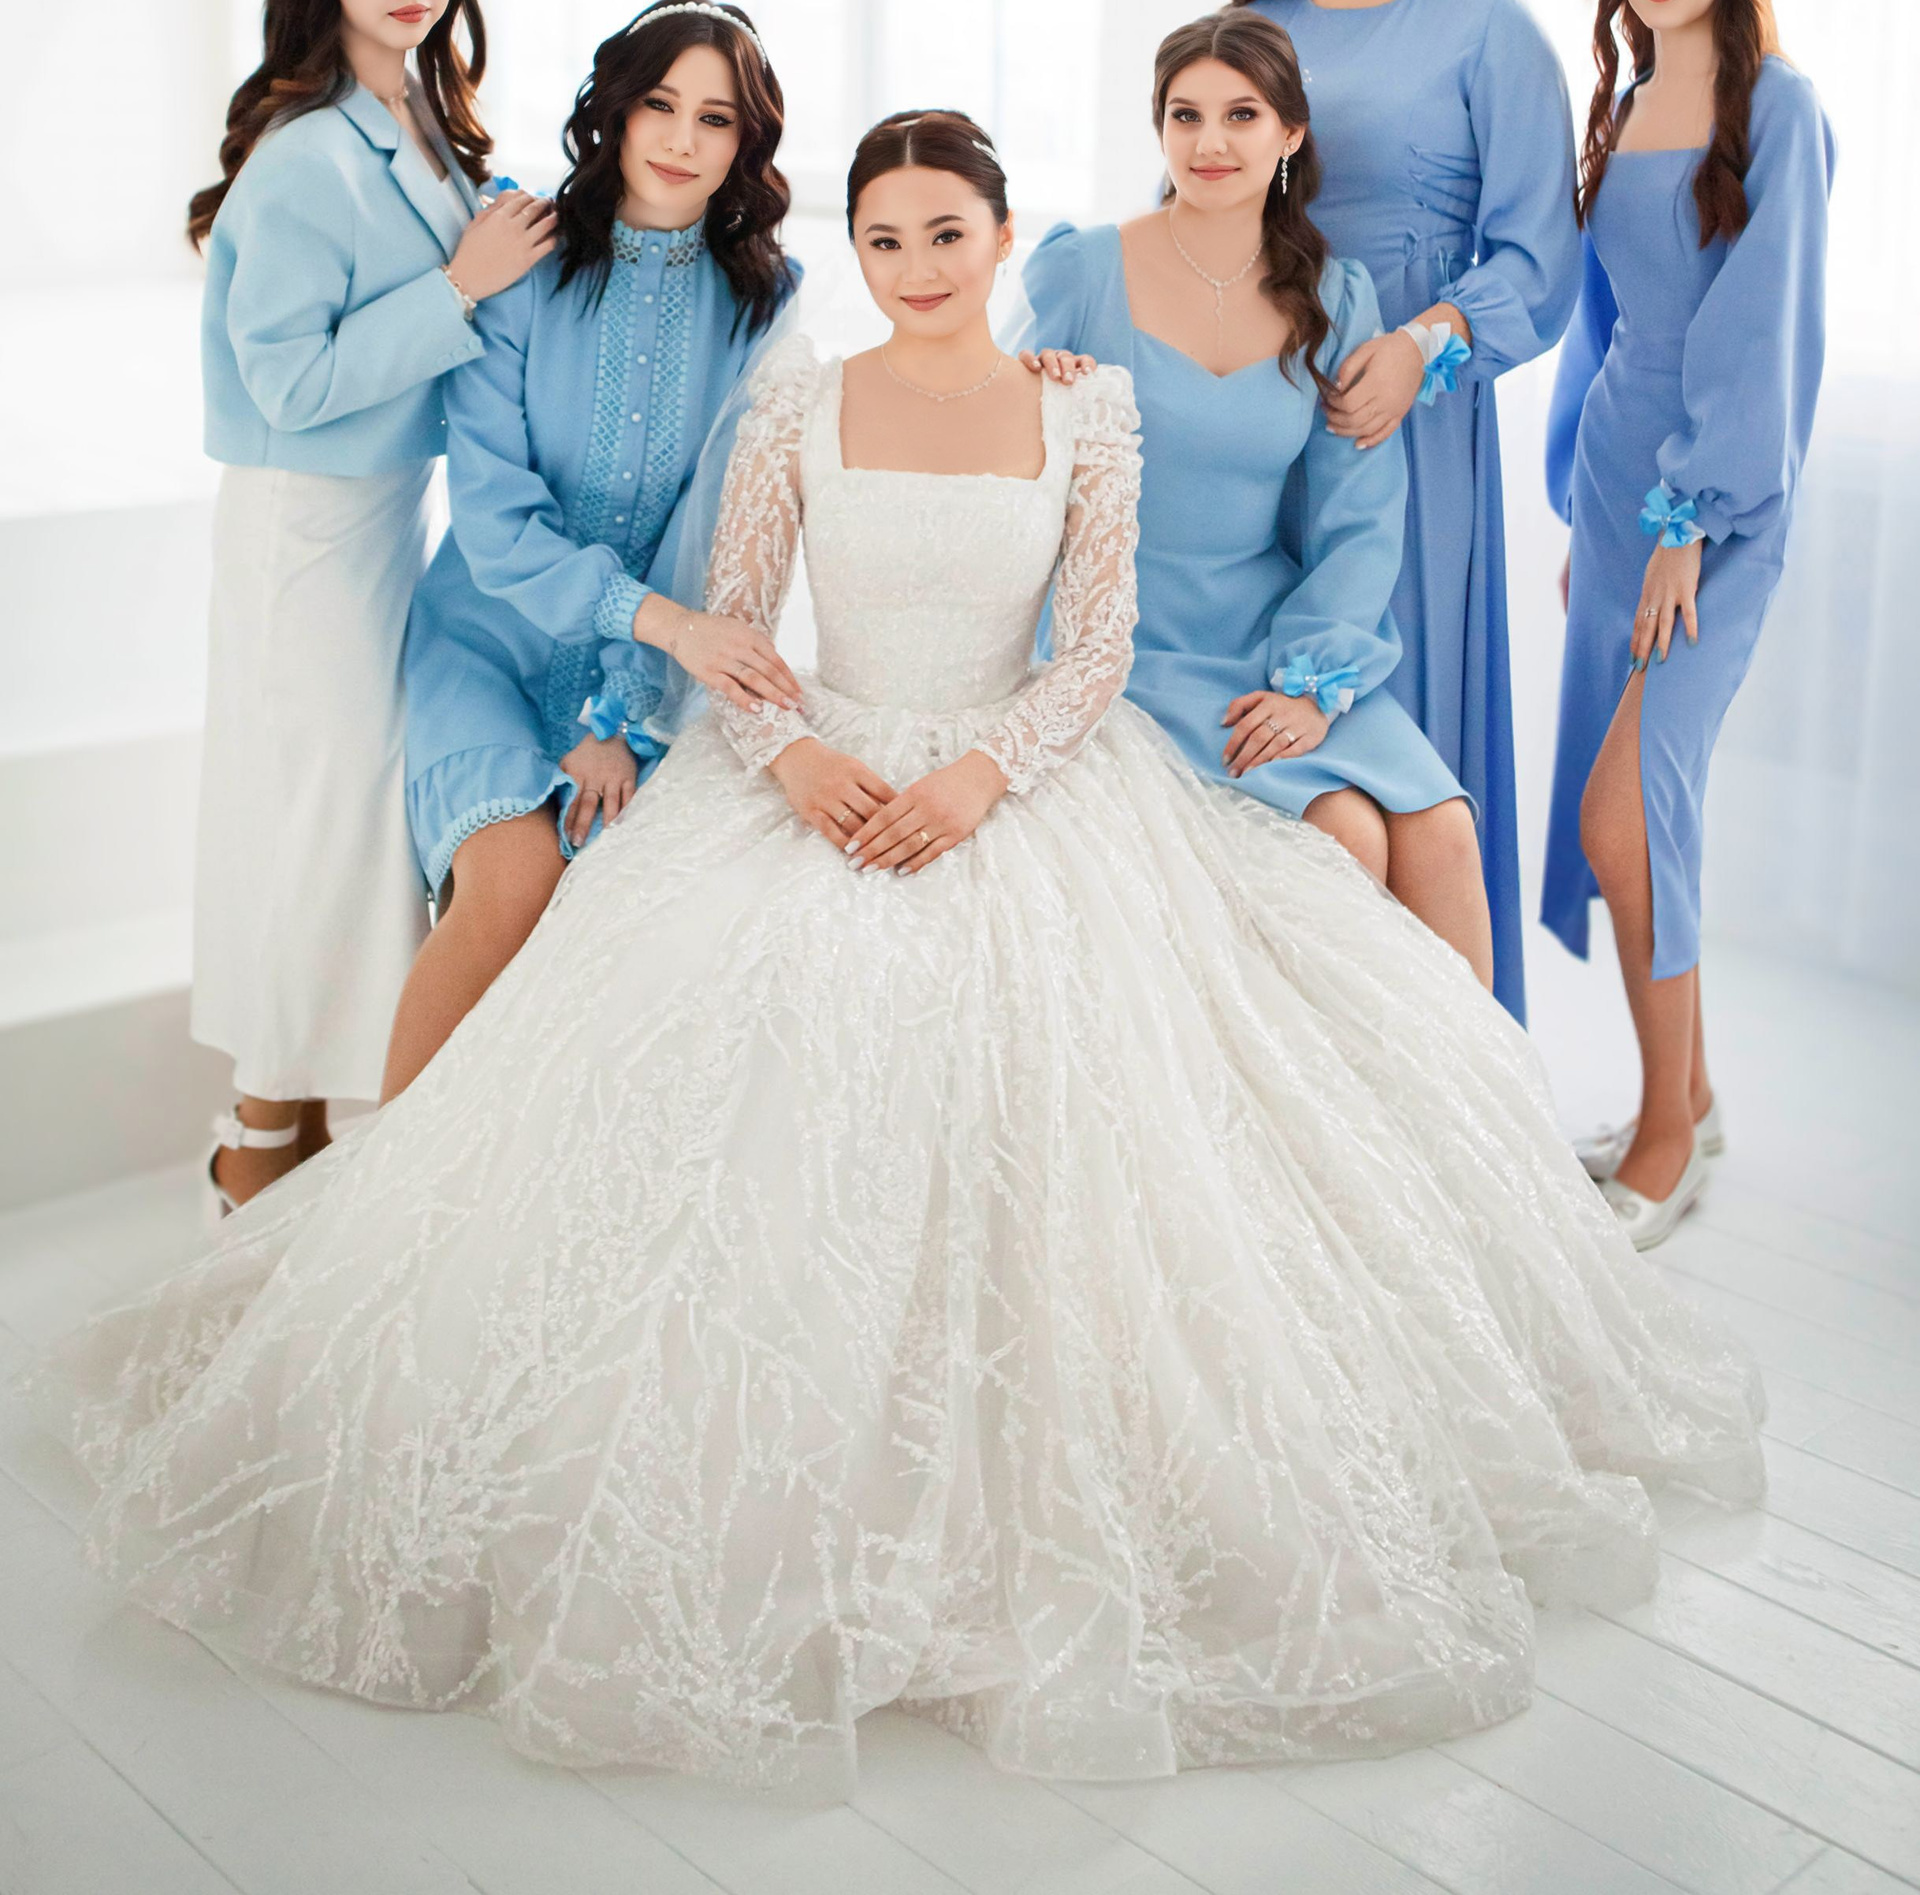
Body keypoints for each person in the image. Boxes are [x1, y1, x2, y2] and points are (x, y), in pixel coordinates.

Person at [45, 109, 1759, 1792]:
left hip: (1018, 770)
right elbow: (740, 626)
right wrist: (797, 759)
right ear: (851, 249)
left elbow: (1096, 649)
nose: (917, 263)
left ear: (1006, 240)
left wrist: (980, 775)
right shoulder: (798, 398)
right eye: (883, 237)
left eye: (948, 232)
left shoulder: (1085, 410)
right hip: (823, 757)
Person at [186, 0, 552, 1216]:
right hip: (308, 527)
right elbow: (287, 382)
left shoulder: (425, 121)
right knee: (315, 822)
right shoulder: (304, 156)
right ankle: (256, 1138)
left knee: (347, 822)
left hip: (392, 513)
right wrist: (458, 286)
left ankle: (293, 1124)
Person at [387, 0, 802, 1098]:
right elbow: (492, 518)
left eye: (714, 119)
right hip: (483, 645)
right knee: (513, 881)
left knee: (637, 919)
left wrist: (619, 716)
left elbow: (708, 531)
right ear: (615, 110)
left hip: (646, 681)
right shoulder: (522, 252)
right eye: (660, 104)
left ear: (745, 144)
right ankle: (373, 1189)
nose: (680, 139)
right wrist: (659, 630)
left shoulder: (762, 302)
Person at [1022, 8, 1491, 982]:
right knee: (1345, 833)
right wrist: (1027, 395)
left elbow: (1360, 517)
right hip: (1124, 637)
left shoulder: (1336, 297)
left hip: (1268, 636)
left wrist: (1311, 684)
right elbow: (990, 449)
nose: (1210, 141)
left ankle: (1482, 1092)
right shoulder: (1083, 271)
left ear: (1290, 133)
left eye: (1241, 115)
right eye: (1185, 115)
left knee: (1444, 829)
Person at [1229, 0, 1580, 1020]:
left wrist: (1424, 345)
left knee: (1400, 713)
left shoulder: (1488, 23)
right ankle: (1293, 1047)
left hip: (1411, 414)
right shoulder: (1264, 23)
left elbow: (1541, 251)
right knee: (1271, 718)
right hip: (1267, 401)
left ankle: (1431, 1060)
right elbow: (1199, 187)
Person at [1543, 0, 1833, 1246]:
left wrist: (1684, 525)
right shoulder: (1628, 95)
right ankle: (1691, 1094)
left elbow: (1756, 332)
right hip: (1618, 492)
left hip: (1712, 507)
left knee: (1626, 816)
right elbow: (1605, 327)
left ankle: (1669, 1137)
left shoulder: (1780, 106)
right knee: (1647, 812)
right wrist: (1587, 512)